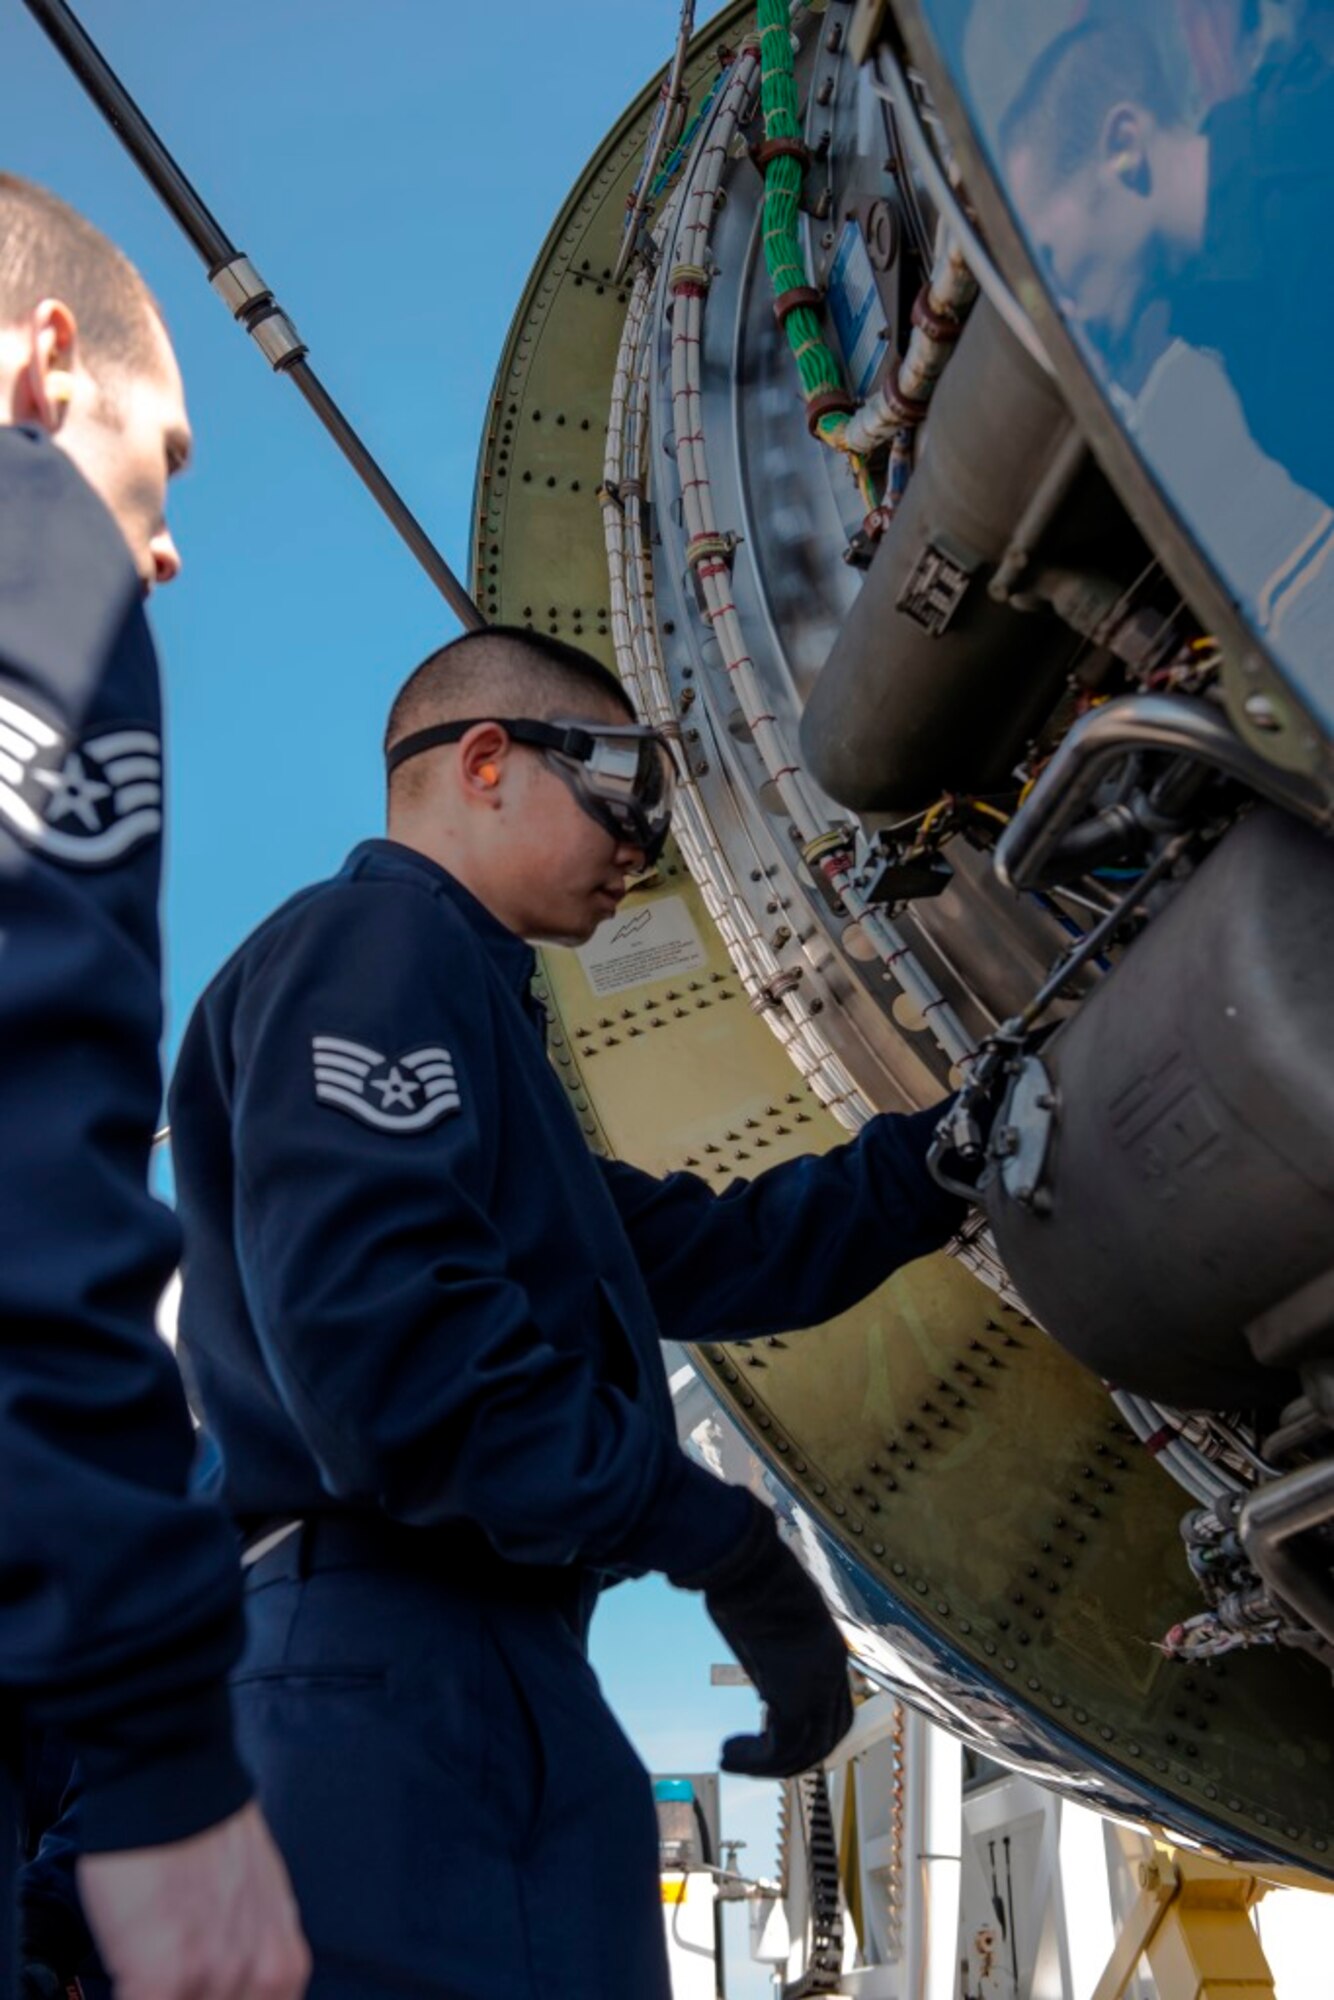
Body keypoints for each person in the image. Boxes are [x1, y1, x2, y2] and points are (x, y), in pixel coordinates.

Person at [167, 622, 971, 1999]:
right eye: (627, 798)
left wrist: (940, 1160)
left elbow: (712, 1255)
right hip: (384, 1676)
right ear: (485, 761)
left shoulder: (483, 1045)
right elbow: (395, 1354)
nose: (643, 850)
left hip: (484, 1675)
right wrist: (711, 1534)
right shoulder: (373, 943)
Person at [0, 174, 309, 2000]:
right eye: (164, 452)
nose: (168, 539)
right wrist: (163, 1762)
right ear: (45, 363)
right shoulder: (28, 527)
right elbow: (22, 1107)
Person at [999, 10, 1334, 501]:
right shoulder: (1233, 320)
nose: (1061, 306)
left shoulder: (1313, 169)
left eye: (1049, 259)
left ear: (1125, 146)